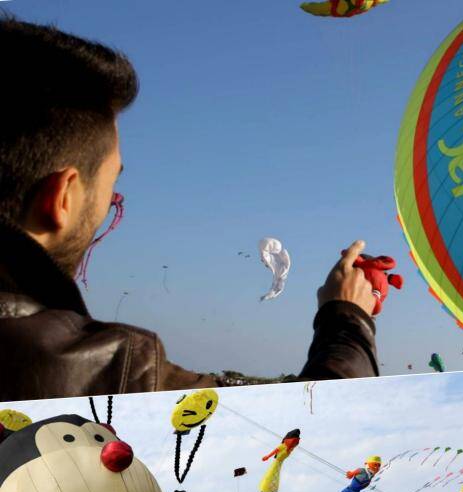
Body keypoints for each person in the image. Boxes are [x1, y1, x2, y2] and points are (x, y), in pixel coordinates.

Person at [0, 16, 381, 402]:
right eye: (111, 193)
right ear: (61, 199)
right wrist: (347, 317)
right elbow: (306, 418)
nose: (108, 211)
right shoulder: (115, 371)